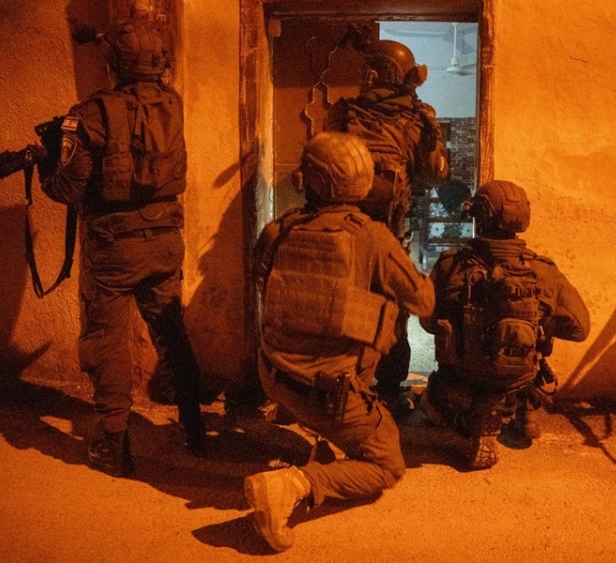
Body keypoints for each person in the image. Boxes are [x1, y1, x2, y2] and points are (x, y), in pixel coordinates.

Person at [245, 131, 435, 552]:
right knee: (387, 465)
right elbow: (424, 301)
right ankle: (292, 485)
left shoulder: (279, 228)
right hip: (327, 393)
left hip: (273, 374)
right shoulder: (371, 236)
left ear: (308, 180)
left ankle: (311, 427)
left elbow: (264, 287)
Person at [38, 17, 206, 477]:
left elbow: (68, 188)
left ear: (115, 63)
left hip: (114, 248)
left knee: (107, 341)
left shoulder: (91, 113)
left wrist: (47, 166)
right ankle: (194, 428)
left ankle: (113, 444)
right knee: (171, 331)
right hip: (165, 240)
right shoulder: (171, 103)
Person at [419, 180, 590, 469]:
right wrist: (541, 320)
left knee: (433, 398)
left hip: (464, 376)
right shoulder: (542, 271)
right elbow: (580, 329)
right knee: (531, 355)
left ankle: (467, 418)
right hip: (519, 376)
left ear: (479, 215)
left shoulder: (451, 264)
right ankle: (525, 408)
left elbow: (426, 321)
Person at [325, 24, 450, 414]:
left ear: (373, 73)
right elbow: (436, 175)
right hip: (390, 234)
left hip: (341, 233)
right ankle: (392, 391)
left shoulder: (344, 113)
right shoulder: (416, 120)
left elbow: (320, 166)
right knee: (392, 310)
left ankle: (337, 385)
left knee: (341, 305)